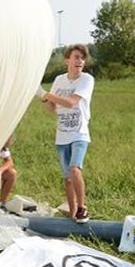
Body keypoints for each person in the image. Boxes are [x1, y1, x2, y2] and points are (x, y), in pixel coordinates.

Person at [37, 44, 95, 223]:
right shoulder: (59, 80)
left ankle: (82, 209)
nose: (80, 61)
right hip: (61, 135)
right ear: (67, 61)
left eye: (82, 58)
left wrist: (45, 93)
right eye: (76, 57)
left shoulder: (86, 79)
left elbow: (71, 103)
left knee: (75, 169)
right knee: (67, 179)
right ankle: (72, 214)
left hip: (79, 133)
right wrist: (41, 96)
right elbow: (50, 108)